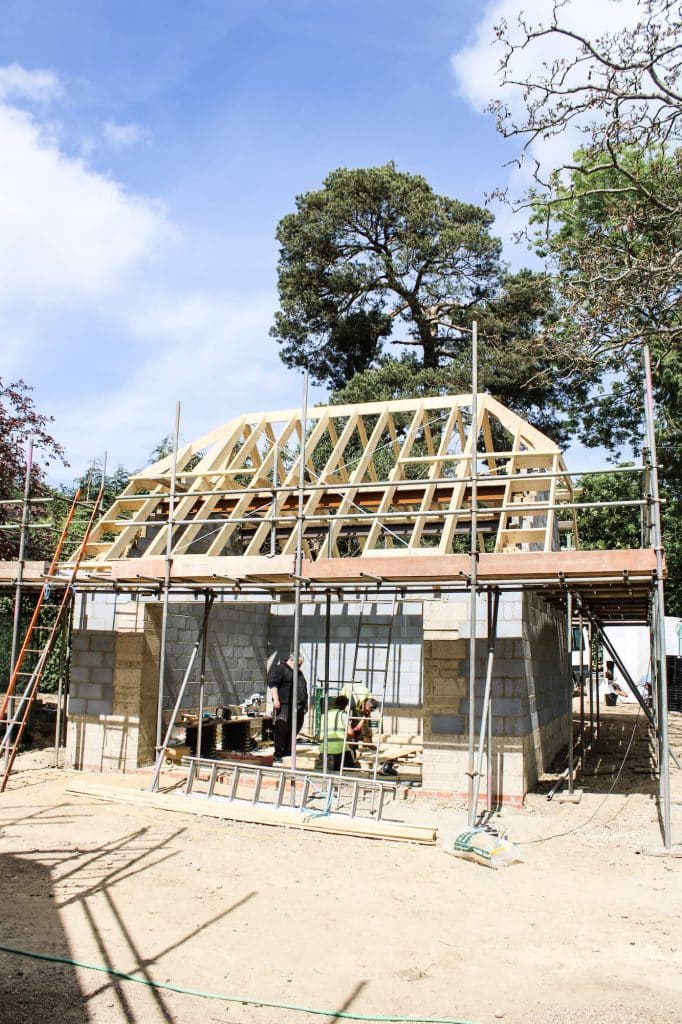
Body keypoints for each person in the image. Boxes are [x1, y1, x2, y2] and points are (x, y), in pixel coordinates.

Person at [267, 653, 308, 763]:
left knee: (295, 728)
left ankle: (287, 750)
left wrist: (306, 702)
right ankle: (278, 753)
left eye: (301, 664)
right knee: (281, 727)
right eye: (298, 664)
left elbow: (303, 687)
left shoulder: (299, 673)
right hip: (285, 704)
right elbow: (273, 684)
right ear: (291, 660)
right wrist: (276, 699)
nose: (299, 666)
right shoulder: (280, 669)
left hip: (298, 705)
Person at [319, 695, 356, 771]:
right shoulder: (342, 714)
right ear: (345, 705)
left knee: (326, 772)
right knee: (349, 771)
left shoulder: (324, 715)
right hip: (340, 749)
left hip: (324, 750)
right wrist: (350, 741)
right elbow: (350, 732)